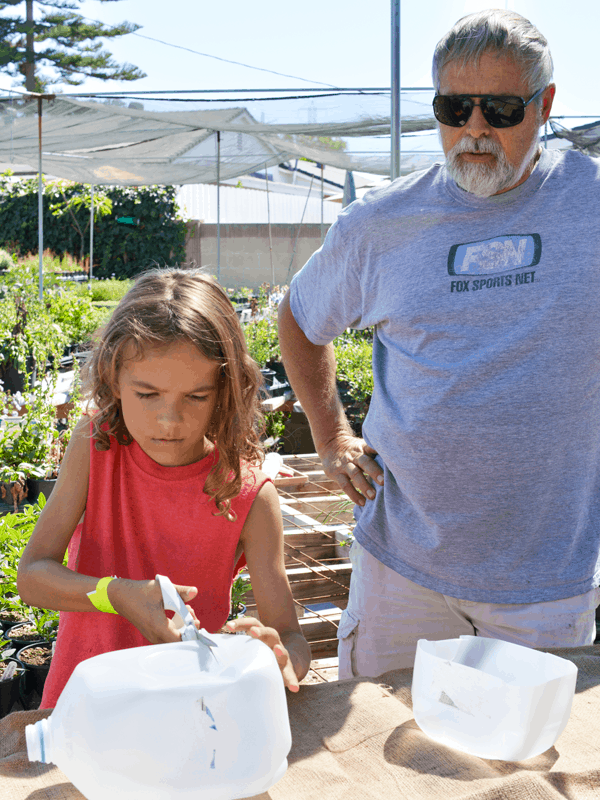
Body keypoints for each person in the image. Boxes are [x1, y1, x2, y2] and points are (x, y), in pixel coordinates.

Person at [278, 9, 600, 680]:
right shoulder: (380, 225)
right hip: (405, 571)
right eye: (455, 108)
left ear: (544, 106)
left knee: (528, 769)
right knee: (377, 751)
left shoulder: (591, 205)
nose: (474, 130)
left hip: (547, 581)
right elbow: (301, 321)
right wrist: (331, 436)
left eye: (501, 108)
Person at [18, 269, 311, 707]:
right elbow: (33, 575)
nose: (169, 420)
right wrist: (114, 594)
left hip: (190, 717)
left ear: (226, 391)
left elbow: (289, 633)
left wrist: (278, 656)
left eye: (196, 396)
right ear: (113, 378)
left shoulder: (249, 493)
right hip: (83, 709)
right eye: (147, 394)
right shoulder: (96, 447)